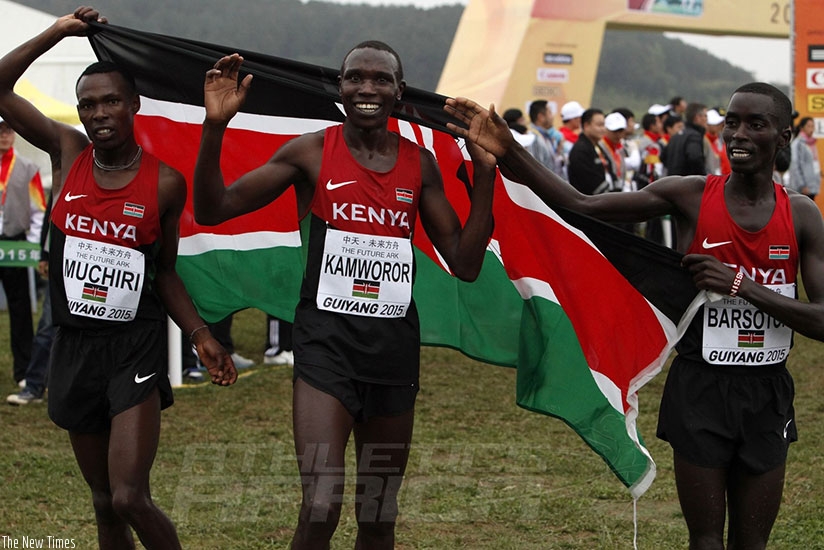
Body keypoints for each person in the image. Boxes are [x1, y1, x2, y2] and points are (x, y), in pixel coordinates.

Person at [444, 82, 824, 549]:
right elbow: (580, 205)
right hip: (700, 389)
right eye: (732, 123)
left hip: (767, 393)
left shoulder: (802, 215)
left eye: (756, 125)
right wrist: (508, 151)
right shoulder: (689, 195)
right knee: (705, 540)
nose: (739, 135)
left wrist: (742, 286)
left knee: (752, 543)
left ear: (784, 137)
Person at [194, 42, 496, 548]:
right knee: (320, 506)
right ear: (340, 87)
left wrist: (485, 175)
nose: (367, 89)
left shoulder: (418, 165)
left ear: (399, 93)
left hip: (392, 353)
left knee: (378, 515)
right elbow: (213, 208)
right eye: (356, 77)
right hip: (324, 348)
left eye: (381, 80)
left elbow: (465, 265)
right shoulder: (311, 152)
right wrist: (215, 126)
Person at [0, 7, 237, 548]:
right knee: (105, 502)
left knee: (130, 495)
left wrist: (201, 335)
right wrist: (58, 31)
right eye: (88, 104)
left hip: (133, 347)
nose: (99, 112)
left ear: (133, 106)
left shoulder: (165, 185)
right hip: (74, 346)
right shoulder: (68, 151)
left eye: (111, 101)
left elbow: (164, 272)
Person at [0, 116, 46, 386]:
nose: (4, 135)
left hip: (14, 243)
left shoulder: (28, 168)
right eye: (0, 130)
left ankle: (24, 369)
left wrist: (32, 247)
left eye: (8, 129)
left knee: (20, 310)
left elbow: (38, 210)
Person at [7, 194, 53, 405]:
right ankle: (34, 385)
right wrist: (44, 255)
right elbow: (51, 215)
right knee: (47, 327)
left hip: (85, 261)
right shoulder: (65, 173)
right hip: (59, 259)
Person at [566, 108, 619, 195]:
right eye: (599, 125)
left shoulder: (597, 146)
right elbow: (589, 183)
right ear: (586, 125)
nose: (603, 129)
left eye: (604, 125)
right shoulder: (580, 150)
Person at [664, 102, 708, 177]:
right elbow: (695, 157)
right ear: (697, 117)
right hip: (688, 184)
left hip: (672, 182)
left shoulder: (676, 136)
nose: (707, 119)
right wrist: (703, 177)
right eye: (705, 116)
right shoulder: (694, 136)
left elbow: (663, 156)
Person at [789, 116, 821, 200]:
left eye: (813, 126)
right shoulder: (798, 143)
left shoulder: (811, 143)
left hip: (812, 185)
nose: (811, 129)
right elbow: (795, 165)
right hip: (803, 187)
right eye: (809, 126)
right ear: (802, 128)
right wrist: (802, 185)